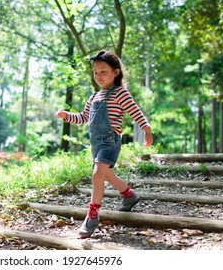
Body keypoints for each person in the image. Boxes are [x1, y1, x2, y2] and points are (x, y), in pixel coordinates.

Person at [54, 50, 153, 238]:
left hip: (110, 141)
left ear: (115, 72)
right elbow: (83, 117)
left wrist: (146, 129)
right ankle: (129, 195)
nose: (98, 76)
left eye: (103, 72)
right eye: (95, 73)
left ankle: (92, 216)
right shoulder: (93, 97)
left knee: (97, 174)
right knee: (106, 175)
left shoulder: (120, 93)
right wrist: (67, 116)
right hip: (96, 144)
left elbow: (135, 111)